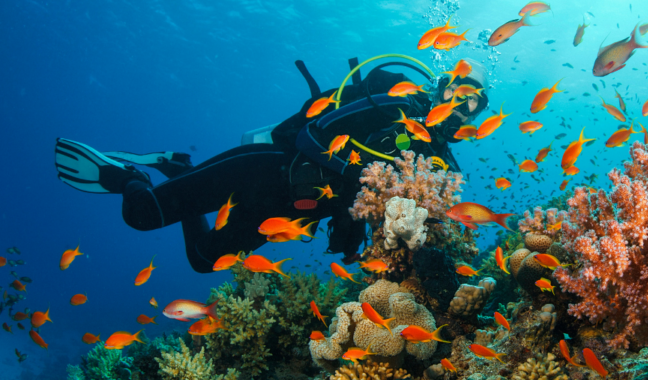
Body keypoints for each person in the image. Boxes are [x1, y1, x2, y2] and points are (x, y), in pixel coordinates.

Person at [55, 55, 489, 273]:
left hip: (287, 214)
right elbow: (311, 135)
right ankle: (128, 176)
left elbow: (379, 209)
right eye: (462, 92)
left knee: (205, 262)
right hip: (267, 167)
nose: (465, 108)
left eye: (476, 106)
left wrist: (354, 229)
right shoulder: (394, 102)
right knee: (141, 214)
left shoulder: (438, 165)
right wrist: (359, 176)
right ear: (444, 86)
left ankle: (178, 169)